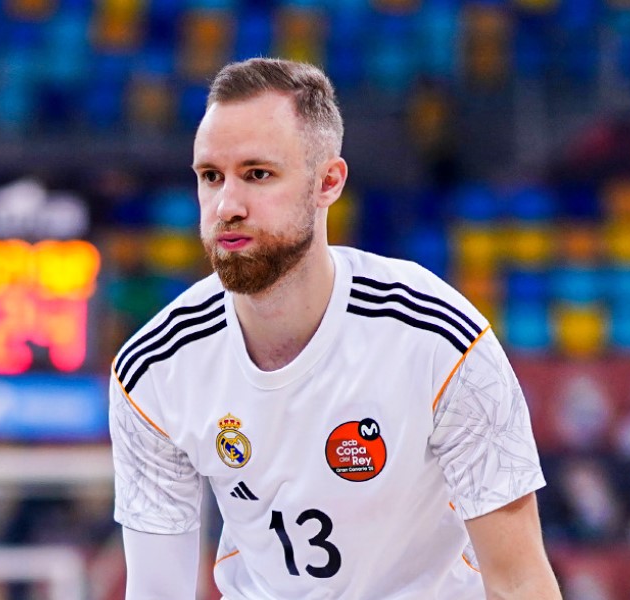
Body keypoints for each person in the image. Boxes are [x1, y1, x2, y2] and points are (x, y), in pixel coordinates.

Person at [109, 57, 561, 599]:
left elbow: (519, 581)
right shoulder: (153, 371)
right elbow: (157, 591)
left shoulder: (439, 340)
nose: (226, 205)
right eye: (211, 176)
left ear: (328, 182)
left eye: (257, 174)